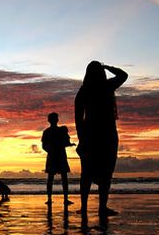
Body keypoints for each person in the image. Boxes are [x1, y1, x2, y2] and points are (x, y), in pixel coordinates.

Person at [75, 61, 128, 217]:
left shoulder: (84, 91)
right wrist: (107, 67)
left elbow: (78, 119)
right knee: (105, 173)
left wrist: (81, 139)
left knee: (87, 173)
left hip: (90, 134)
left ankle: (84, 208)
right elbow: (123, 75)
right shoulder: (107, 86)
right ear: (101, 73)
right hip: (107, 134)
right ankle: (101, 208)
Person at [41, 112, 75, 205]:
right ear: (57, 120)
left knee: (51, 178)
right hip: (60, 155)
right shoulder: (61, 130)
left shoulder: (47, 131)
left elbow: (44, 146)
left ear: (49, 120)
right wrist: (69, 144)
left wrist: (51, 151)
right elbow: (65, 143)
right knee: (63, 178)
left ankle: (49, 199)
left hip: (53, 155)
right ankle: (65, 199)